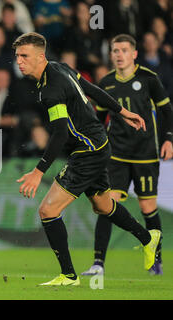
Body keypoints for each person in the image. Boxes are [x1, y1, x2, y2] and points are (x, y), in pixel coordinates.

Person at [13, 32, 161, 286]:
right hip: (98, 143)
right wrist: (123, 112)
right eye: (17, 56)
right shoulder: (60, 67)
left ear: (40, 56)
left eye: (24, 56)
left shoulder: (51, 88)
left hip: (88, 151)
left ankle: (68, 275)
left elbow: (60, 132)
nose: (19, 61)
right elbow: (92, 90)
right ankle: (149, 238)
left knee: (48, 211)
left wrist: (38, 172)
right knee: (103, 206)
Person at [81, 34, 173, 277]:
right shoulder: (106, 82)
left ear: (134, 54)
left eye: (123, 50)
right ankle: (98, 264)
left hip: (145, 155)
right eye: (115, 50)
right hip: (117, 155)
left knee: (147, 208)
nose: (119, 55)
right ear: (110, 55)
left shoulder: (148, 79)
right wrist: (93, 145)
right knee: (107, 205)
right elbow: (99, 120)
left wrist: (169, 139)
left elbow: (166, 110)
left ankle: (156, 260)